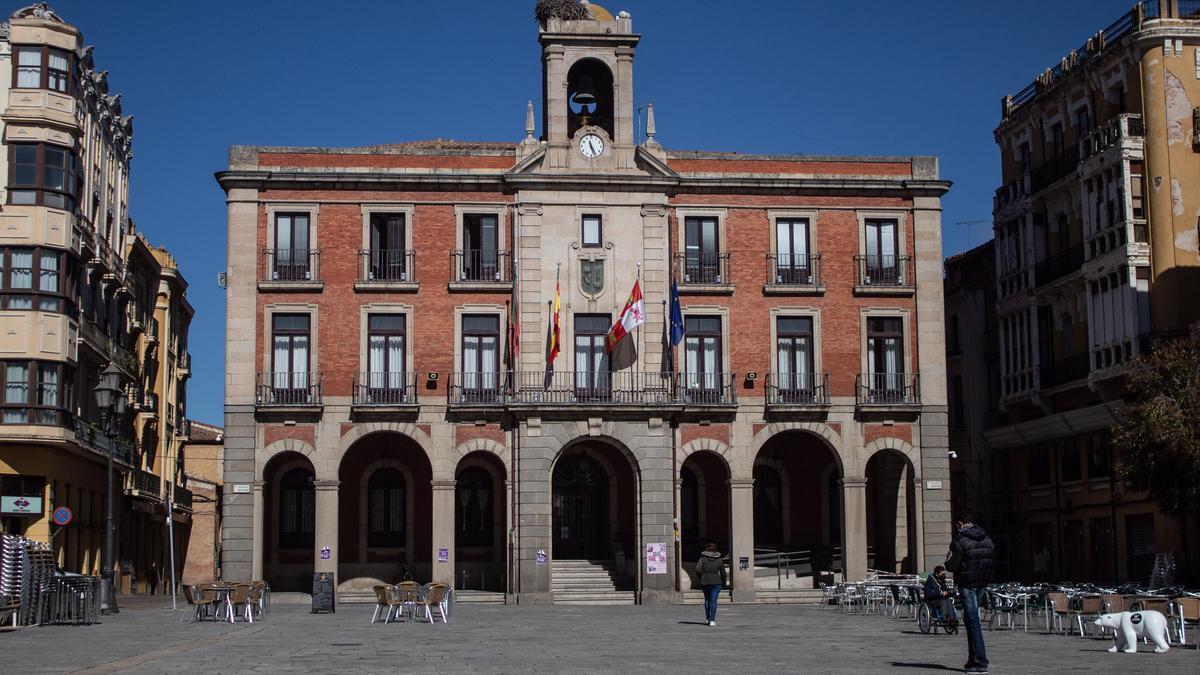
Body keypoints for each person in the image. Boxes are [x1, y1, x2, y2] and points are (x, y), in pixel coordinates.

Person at [945, 514, 995, 675]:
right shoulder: (986, 538)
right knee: (971, 620)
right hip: (982, 582)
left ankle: (980, 662)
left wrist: (948, 561)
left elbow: (952, 565)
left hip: (967, 583)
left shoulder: (960, 540)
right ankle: (972, 660)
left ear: (960, 524)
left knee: (973, 621)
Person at [695, 542, 726, 626]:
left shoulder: (703, 559)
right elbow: (723, 573)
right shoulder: (719, 559)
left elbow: (697, 569)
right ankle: (712, 620)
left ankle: (707, 618)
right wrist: (723, 583)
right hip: (716, 582)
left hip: (705, 582)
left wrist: (702, 575)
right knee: (713, 601)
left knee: (707, 600)